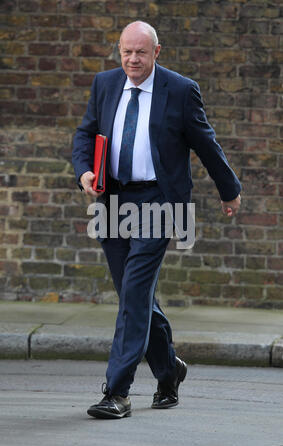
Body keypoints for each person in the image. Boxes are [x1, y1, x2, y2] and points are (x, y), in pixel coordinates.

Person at [72, 21, 241, 419]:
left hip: (159, 202)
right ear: (119, 51)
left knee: (133, 294)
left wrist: (228, 189)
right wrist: (83, 173)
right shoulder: (105, 84)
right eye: (126, 52)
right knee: (134, 294)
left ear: (157, 52)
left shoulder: (180, 90)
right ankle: (169, 370)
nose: (132, 59)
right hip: (112, 199)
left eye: (140, 53)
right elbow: (85, 134)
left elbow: (205, 142)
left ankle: (117, 392)